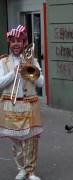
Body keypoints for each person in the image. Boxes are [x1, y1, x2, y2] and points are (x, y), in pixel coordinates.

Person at [0, 25, 44, 180]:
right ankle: (21, 169)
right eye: (13, 41)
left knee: (31, 141)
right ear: (9, 43)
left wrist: (30, 69)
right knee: (16, 142)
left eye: (19, 41)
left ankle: (31, 171)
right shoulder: (3, 61)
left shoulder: (33, 60)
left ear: (24, 42)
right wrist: (14, 73)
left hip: (29, 104)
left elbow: (41, 84)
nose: (16, 44)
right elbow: (0, 83)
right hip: (10, 105)